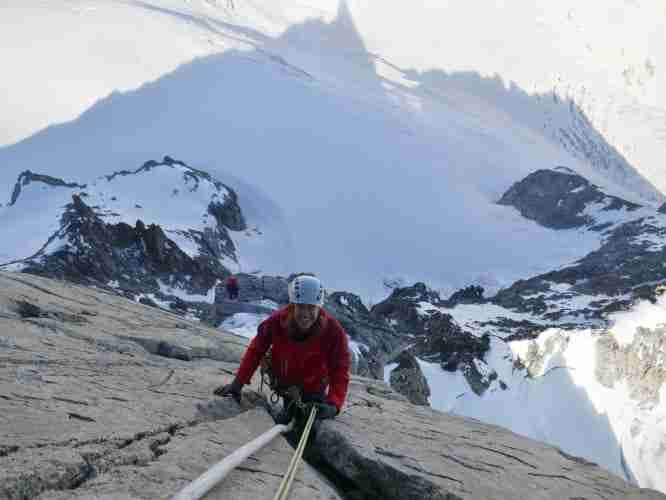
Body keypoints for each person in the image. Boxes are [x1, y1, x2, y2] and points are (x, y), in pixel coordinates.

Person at [214, 275, 350, 424]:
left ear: (319, 307)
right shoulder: (277, 321)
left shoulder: (333, 331)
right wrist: (237, 385)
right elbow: (256, 350)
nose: (305, 313)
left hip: (314, 390)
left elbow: (340, 369)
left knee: (307, 424)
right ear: (293, 306)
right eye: (301, 306)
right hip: (286, 387)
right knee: (288, 419)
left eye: (311, 307)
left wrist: (333, 405)